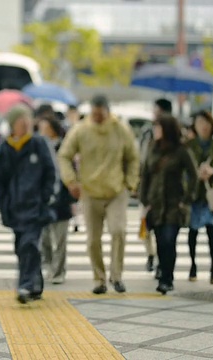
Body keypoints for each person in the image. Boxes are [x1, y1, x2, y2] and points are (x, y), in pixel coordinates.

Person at [58, 95, 140, 294]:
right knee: (93, 239)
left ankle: (117, 275)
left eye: (100, 114)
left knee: (118, 230)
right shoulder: (80, 130)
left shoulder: (121, 129)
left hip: (116, 190)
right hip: (90, 192)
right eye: (94, 114)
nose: (97, 118)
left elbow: (133, 157)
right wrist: (71, 181)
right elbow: (64, 155)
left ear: (107, 112)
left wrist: (130, 183)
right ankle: (99, 278)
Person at [0, 104, 57, 304]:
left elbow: (51, 172)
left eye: (28, 121)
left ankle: (26, 285)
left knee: (29, 244)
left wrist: (46, 197)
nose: (26, 125)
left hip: (36, 207)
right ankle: (35, 284)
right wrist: (2, 203)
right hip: (14, 207)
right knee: (22, 247)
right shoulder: (5, 147)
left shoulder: (39, 143)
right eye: (22, 122)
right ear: (13, 125)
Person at [140, 115, 197, 295]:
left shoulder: (181, 150)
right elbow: (145, 175)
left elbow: (193, 175)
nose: (156, 131)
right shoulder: (152, 148)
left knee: (168, 240)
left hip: (174, 204)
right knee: (159, 241)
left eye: (159, 128)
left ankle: (167, 278)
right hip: (155, 204)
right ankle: (163, 272)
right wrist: (144, 200)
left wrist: (186, 199)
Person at [185, 111, 213, 285]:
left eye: (206, 122)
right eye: (199, 122)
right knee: (193, 232)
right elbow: (183, 170)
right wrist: (194, 175)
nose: (203, 126)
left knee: (212, 232)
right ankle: (193, 266)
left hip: (212, 194)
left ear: (211, 125)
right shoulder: (189, 145)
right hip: (195, 193)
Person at [38, 117, 74, 285]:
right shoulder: (40, 146)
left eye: (44, 126)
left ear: (52, 128)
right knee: (44, 237)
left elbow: (70, 172)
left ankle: (59, 271)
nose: (41, 129)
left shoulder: (64, 148)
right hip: (43, 199)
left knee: (60, 239)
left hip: (61, 198)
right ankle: (50, 265)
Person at [139, 98, 172, 276]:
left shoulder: (174, 135)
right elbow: (141, 158)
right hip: (148, 186)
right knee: (145, 224)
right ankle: (150, 254)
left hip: (166, 191)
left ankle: (161, 261)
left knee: (163, 230)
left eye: (157, 110)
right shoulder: (147, 132)